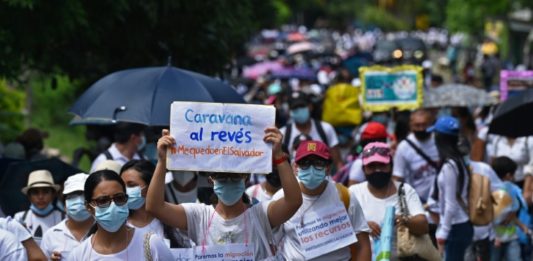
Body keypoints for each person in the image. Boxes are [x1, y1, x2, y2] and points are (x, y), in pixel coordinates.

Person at [146, 127, 303, 260]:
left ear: (246, 179)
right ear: (211, 180)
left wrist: (279, 157)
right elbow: (155, 207)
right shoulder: (198, 216)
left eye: (235, 177)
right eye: (222, 177)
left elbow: (293, 202)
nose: (228, 181)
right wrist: (162, 162)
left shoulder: (261, 215)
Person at [273, 140, 371, 260]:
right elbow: (271, 244)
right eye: (305, 163)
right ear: (295, 167)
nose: (311, 169)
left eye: (318, 163)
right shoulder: (283, 197)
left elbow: (363, 245)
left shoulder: (344, 196)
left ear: (328, 168)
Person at [67, 170, 173, 260]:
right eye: (103, 200)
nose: (113, 206)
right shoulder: (79, 255)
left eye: (119, 198)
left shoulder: (151, 245)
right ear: (89, 207)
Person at [350, 142, 428, 257]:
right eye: (371, 166)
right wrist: (362, 226)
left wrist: (404, 220)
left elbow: (423, 226)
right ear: (363, 169)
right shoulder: (354, 192)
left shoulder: (404, 190)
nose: (377, 170)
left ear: (391, 166)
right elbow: (340, 229)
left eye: (382, 165)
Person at [428, 116, 473, 260]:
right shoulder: (459, 161)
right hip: (461, 225)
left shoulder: (449, 166)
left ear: (439, 139)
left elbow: (450, 203)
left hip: (455, 227)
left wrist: (443, 232)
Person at [120, 159, 188, 247]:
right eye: (122, 186)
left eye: (131, 185)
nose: (125, 191)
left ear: (151, 186)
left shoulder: (174, 222)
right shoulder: (118, 225)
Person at [280, 91, 343, 170]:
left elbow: (338, 163)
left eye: (302, 106)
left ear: (310, 106)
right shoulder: (282, 134)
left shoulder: (326, 129)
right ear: (290, 112)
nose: (299, 110)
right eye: (295, 108)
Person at [41, 173, 93, 260]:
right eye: (73, 196)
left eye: (84, 195)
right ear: (64, 204)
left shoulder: (105, 232)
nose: (79, 201)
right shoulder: (51, 236)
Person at [393, 109, 439, 204]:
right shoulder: (404, 147)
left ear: (430, 124)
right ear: (411, 126)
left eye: (424, 125)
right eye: (417, 125)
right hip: (418, 203)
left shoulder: (439, 141)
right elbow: (397, 178)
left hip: (439, 200)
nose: (421, 129)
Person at [490, 156, 528, 261]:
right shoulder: (503, 189)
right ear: (508, 175)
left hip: (511, 237)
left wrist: (522, 226)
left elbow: (512, 214)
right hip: (495, 238)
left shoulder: (509, 189)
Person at [14, 170, 64, 245]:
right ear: (29, 196)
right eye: (35, 192)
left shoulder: (62, 218)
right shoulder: (20, 218)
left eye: (45, 192)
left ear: (53, 195)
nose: (40, 197)